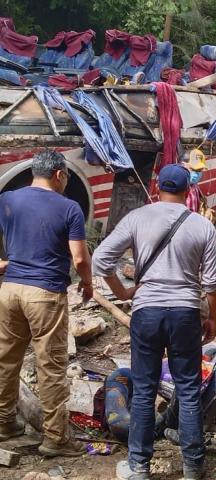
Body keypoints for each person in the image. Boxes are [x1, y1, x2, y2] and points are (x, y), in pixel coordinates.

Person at [92, 163, 216, 480]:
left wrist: (123, 291)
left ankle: (139, 468)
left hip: (147, 312)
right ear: (188, 191)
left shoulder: (137, 217)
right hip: (185, 313)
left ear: (157, 188)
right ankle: (193, 467)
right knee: (189, 390)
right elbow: (214, 284)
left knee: (145, 388)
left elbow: (100, 260)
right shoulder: (202, 226)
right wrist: (212, 319)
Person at [0, 149, 93, 457]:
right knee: (51, 367)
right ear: (58, 175)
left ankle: (4, 423)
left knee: (7, 360)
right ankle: (55, 438)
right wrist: (89, 283)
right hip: (45, 294)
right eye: (66, 175)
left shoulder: (9, 199)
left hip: (10, 289)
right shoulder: (69, 208)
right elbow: (79, 257)